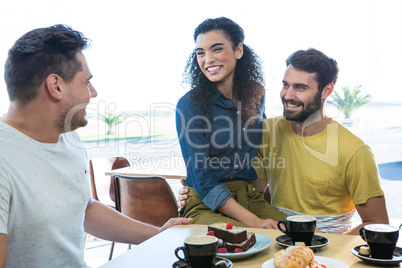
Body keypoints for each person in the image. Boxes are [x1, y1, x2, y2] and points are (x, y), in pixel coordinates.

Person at [0, 25, 192, 267]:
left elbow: (84, 209)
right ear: (56, 86)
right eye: (87, 82)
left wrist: (159, 235)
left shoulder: (69, 138)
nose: (93, 92)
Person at [179, 48, 389, 235]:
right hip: (276, 235)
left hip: (328, 245)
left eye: (300, 87)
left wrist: (331, 247)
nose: (288, 95)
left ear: (327, 90)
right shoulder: (268, 131)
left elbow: (377, 224)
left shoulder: (355, 151)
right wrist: (198, 189)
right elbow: (251, 191)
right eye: (285, 85)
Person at [176, 17, 287, 229]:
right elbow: (202, 178)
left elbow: (255, 151)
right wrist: (255, 222)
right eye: (200, 52)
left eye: (216, 49)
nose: (207, 59)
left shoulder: (256, 94)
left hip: (250, 199)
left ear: (238, 51)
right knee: (244, 238)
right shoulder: (189, 105)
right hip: (205, 204)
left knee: (296, 233)